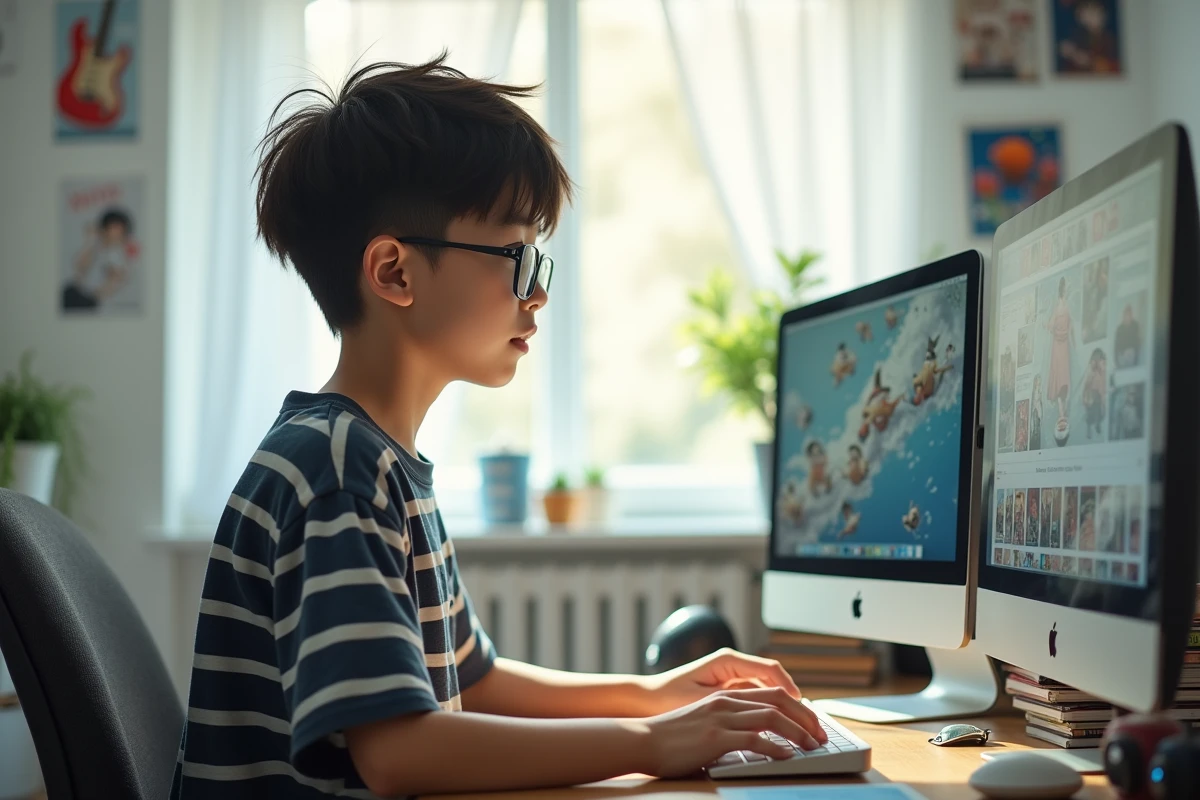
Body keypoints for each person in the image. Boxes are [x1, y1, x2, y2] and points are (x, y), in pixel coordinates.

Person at [169, 58, 826, 800]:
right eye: (517, 258)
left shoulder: (373, 458)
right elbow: (398, 752)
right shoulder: (337, 470)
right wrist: (649, 743)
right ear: (394, 272)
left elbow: (472, 681)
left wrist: (655, 696)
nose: (539, 291)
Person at [62, 208, 137, 310]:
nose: (114, 236)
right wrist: (91, 240)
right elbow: (79, 267)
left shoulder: (119, 258)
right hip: (74, 294)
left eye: (119, 233)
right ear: (103, 231)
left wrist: (96, 296)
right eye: (111, 230)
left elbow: (115, 281)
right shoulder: (95, 247)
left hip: (90, 302)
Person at [1045, 277, 1075, 421]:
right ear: (1063, 290)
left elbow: (1053, 326)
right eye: (1067, 288)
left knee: (1060, 378)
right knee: (1061, 378)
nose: (1068, 290)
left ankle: (1062, 412)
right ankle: (1062, 413)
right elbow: (1067, 328)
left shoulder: (1060, 308)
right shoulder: (1061, 308)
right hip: (1060, 347)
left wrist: (1048, 326)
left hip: (1061, 347)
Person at [1114, 303, 1141, 368]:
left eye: (1129, 315)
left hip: (1131, 355)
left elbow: (1136, 343)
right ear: (1124, 316)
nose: (1128, 317)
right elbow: (1116, 346)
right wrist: (1117, 362)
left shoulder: (1135, 326)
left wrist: (1136, 361)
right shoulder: (1119, 329)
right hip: (1121, 356)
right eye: (1126, 315)